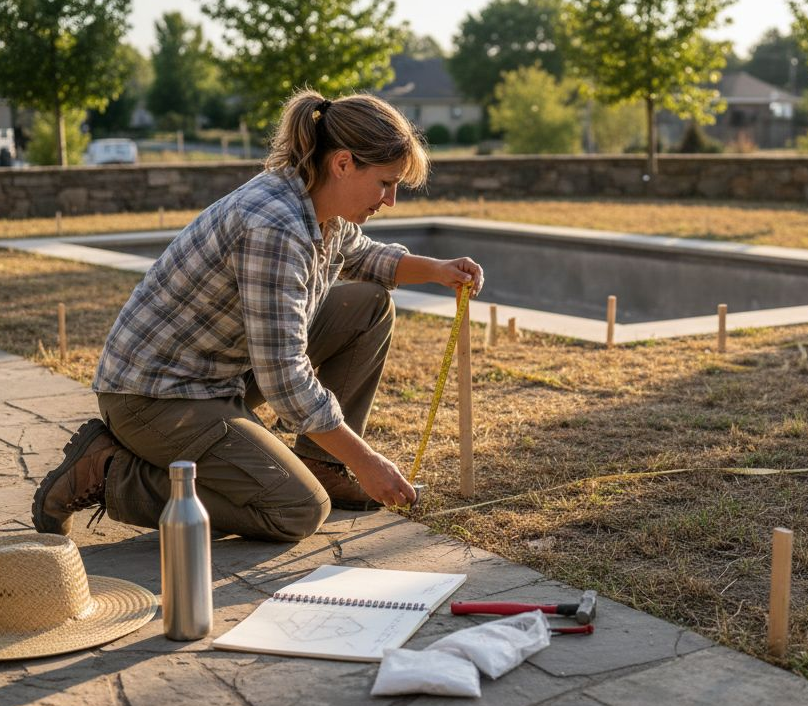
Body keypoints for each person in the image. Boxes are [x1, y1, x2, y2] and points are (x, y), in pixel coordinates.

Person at [31, 90, 483, 542]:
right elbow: (285, 378)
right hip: (155, 398)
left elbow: (365, 258)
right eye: (386, 183)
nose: (390, 201)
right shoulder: (275, 226)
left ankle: (319, 463)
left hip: (218, 375)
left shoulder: (319, 201)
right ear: (343, 163)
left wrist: (438, 271)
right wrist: (367, 462)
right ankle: (110, 472)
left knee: (368, 305)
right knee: (298, 509)